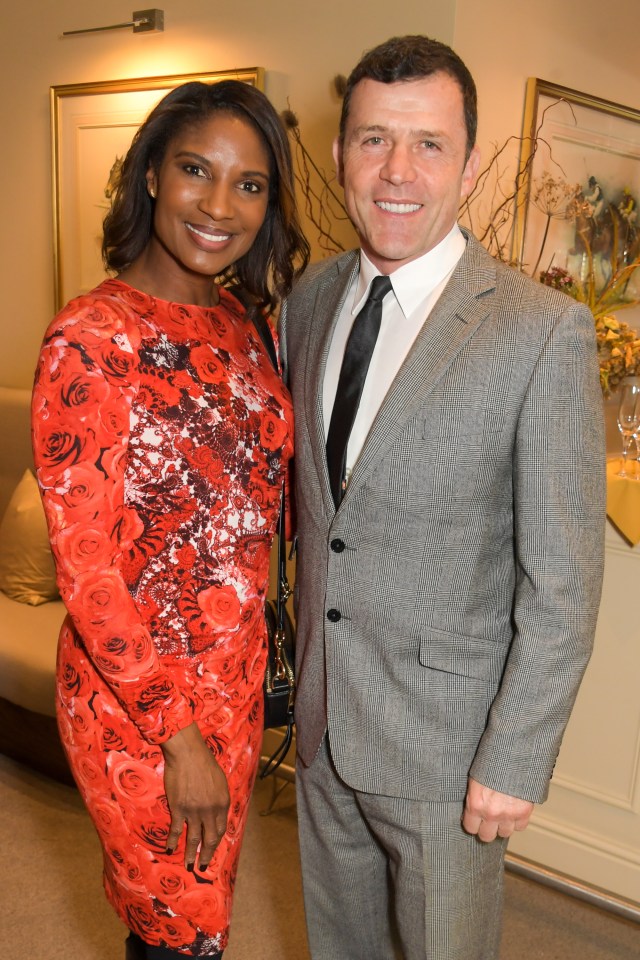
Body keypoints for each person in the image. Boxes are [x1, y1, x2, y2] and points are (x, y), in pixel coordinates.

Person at [279, 35, 606, 960]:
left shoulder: (541, 332)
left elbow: (564, 585)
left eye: (428, 144)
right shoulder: (308, 301)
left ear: (467, 164)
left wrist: (513, 761)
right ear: (341, 151)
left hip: (450, 756)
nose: (396, 171)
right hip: (325, 725)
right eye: (373, 139)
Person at [32, 79, 309, 959]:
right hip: (140, 704)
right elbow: (89, 571)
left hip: (232, 683)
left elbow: (266, 499)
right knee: (177, 931)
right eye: (196, 170)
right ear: (151, 172)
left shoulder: (242, 325)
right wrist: (177, 738)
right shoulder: (91, 337)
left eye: (250, 184)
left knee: (203, 925)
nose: (220, 206)